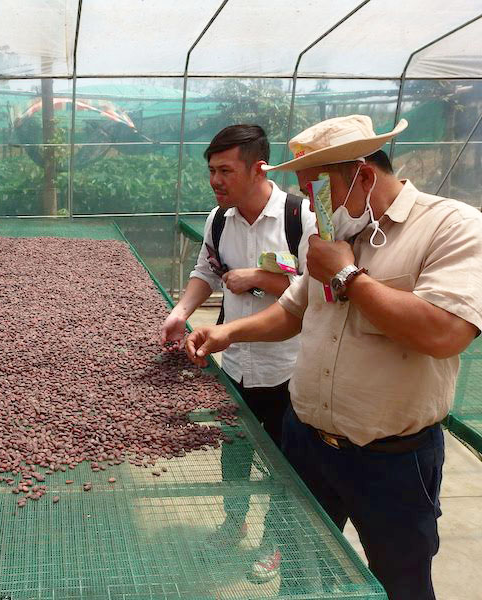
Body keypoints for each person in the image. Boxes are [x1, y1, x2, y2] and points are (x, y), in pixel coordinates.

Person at [185, 114, 482, 600]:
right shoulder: (335, 237)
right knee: (300, 570)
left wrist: (348, 276)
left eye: (318, 190)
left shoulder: (450, 226)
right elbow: (291, 312)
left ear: (363, 176)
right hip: (308, 444)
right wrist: (226, 333)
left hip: (392, 459)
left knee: (401, 578)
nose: (312, 206)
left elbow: (447, 333)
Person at [161, 124, 315, 583]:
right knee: (235, 454)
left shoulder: (299, 218)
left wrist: (263, 280)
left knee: (288, 466)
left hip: (290, 368)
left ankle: (277, 543)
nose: (216, 180)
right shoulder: (218, 220)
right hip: (237, 365)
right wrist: (181, 311)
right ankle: (235, 520)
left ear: (258, 168)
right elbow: (205, 269)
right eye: (211, 170)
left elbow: (326, 287)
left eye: (226, 170)